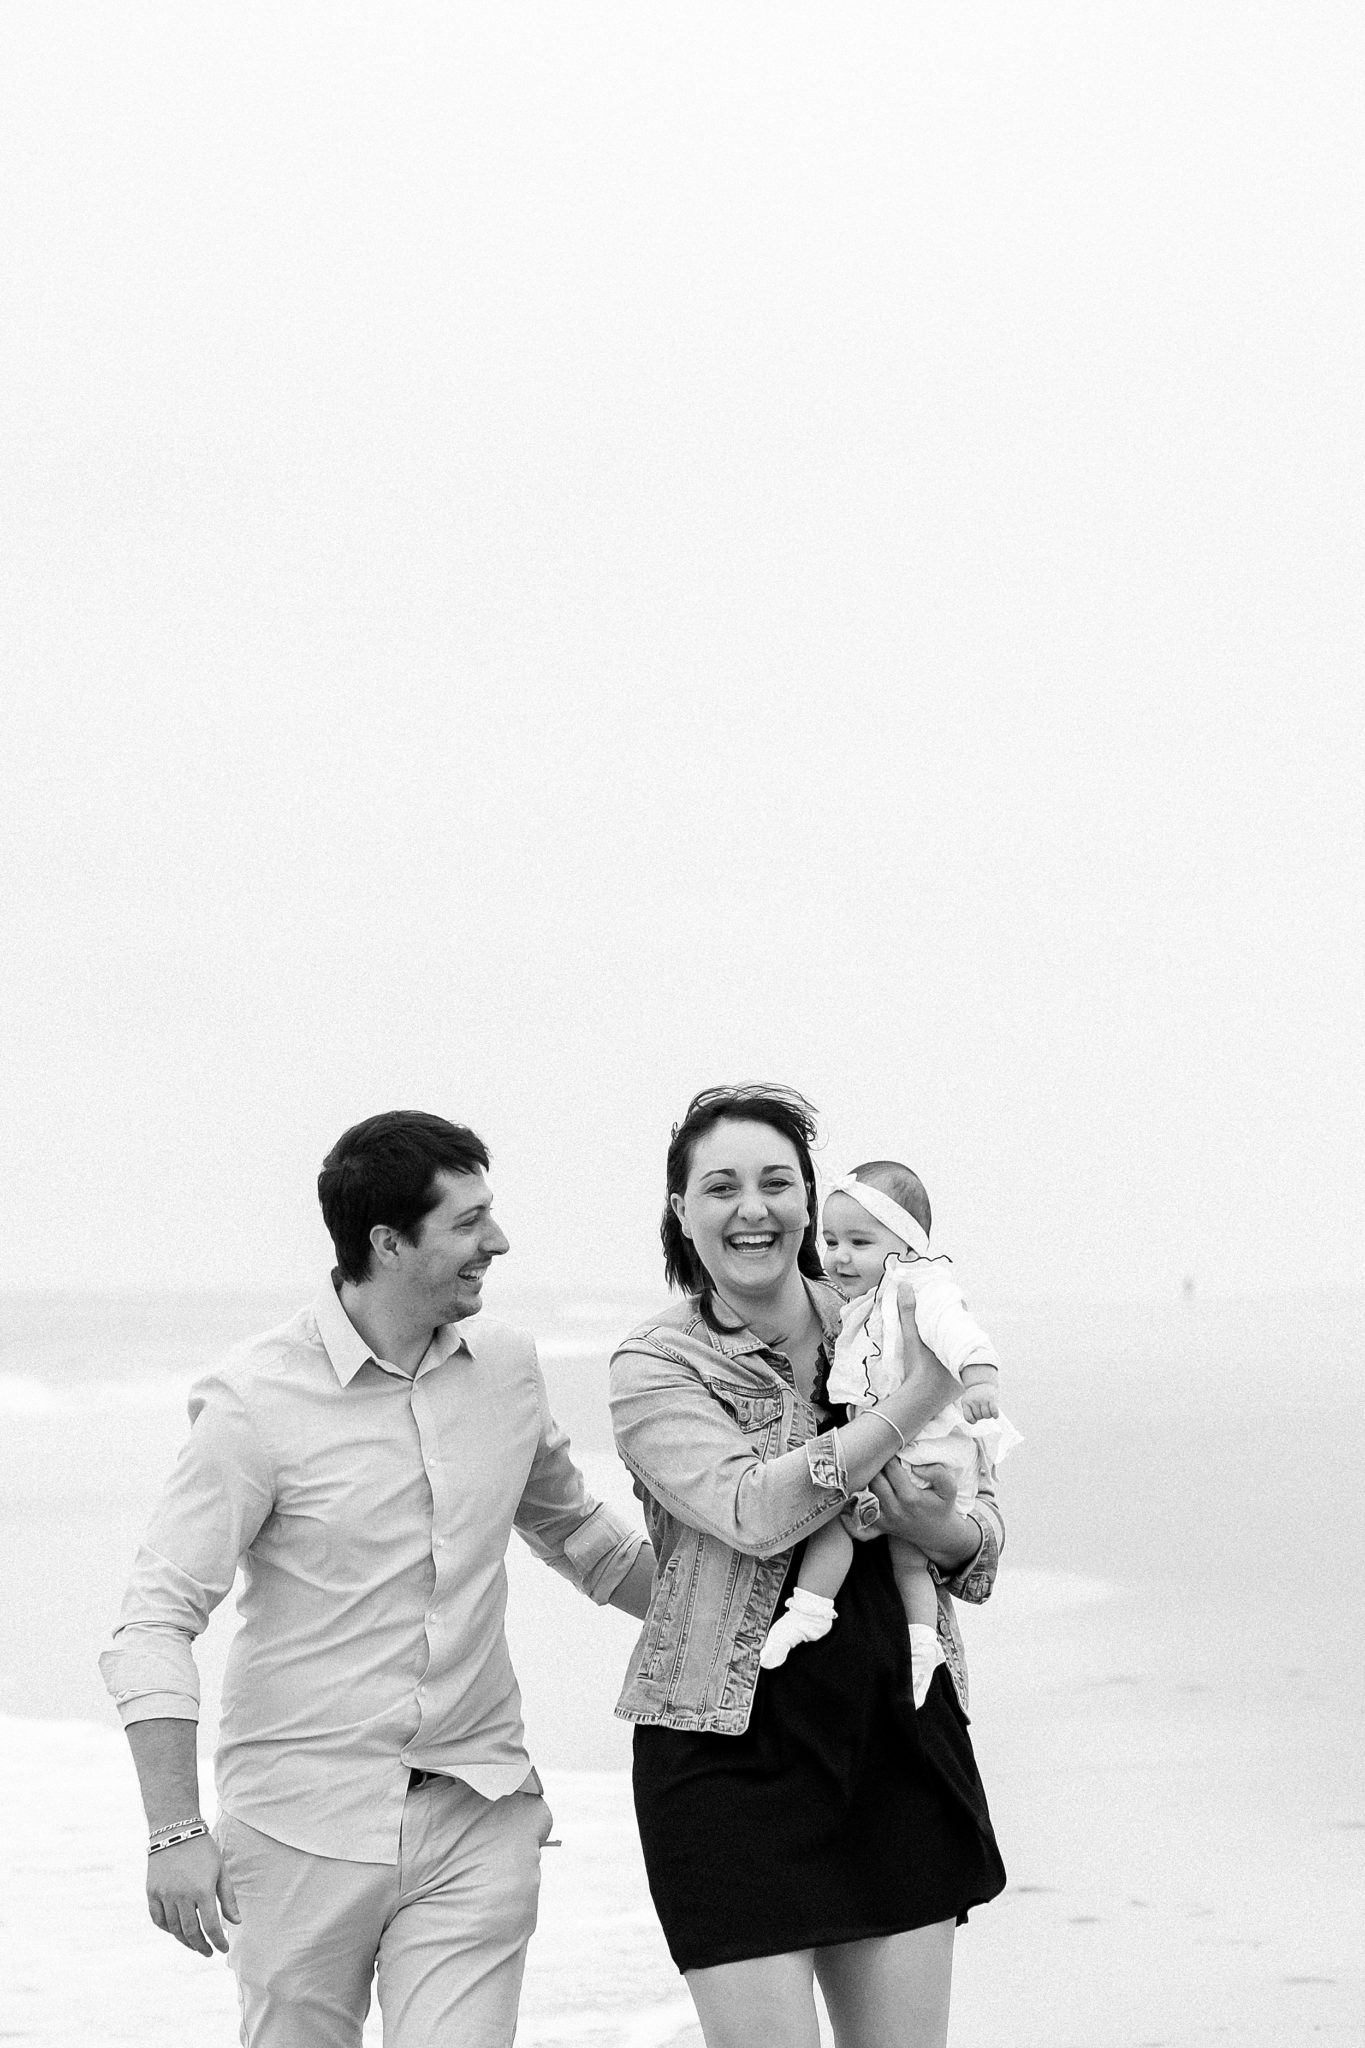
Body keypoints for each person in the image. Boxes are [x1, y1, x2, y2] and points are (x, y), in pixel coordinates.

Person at [100, 1110, 653, 2048]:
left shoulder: (509, 1371)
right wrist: (171, 1831)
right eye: (469, 1222)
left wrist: (759, 1620)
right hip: (298, 1831)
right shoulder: (253, 1401)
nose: (499, 1241)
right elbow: (153, 1622)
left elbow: (585, 1541)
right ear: (387, 1243)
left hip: (479, 1814)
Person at [608, 1084, 1006, 2048]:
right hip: (727, 1752)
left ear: (814, 1202)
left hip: (896, 1732)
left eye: (777, 1182)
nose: (754, 1208)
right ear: (682, 1213)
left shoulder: (890, 1308)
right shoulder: (655, 1364)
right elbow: (752, 1511)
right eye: (721, 1187)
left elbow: (980, 1523)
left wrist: (951, 1534)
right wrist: (909, 1402)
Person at [762, 1161, 1022, 1704]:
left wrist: (978, 1377)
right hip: (901, 1451)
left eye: (860, 1241)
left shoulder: (919, 1289)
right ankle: (922, 1640)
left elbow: (960, 1333)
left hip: (923, 1453)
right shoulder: (864, 1302)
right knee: (900, 1551)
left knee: (835, 1512)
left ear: (905, 1243)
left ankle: (812, 1607)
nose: (840, 1256)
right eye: (831, 1241)